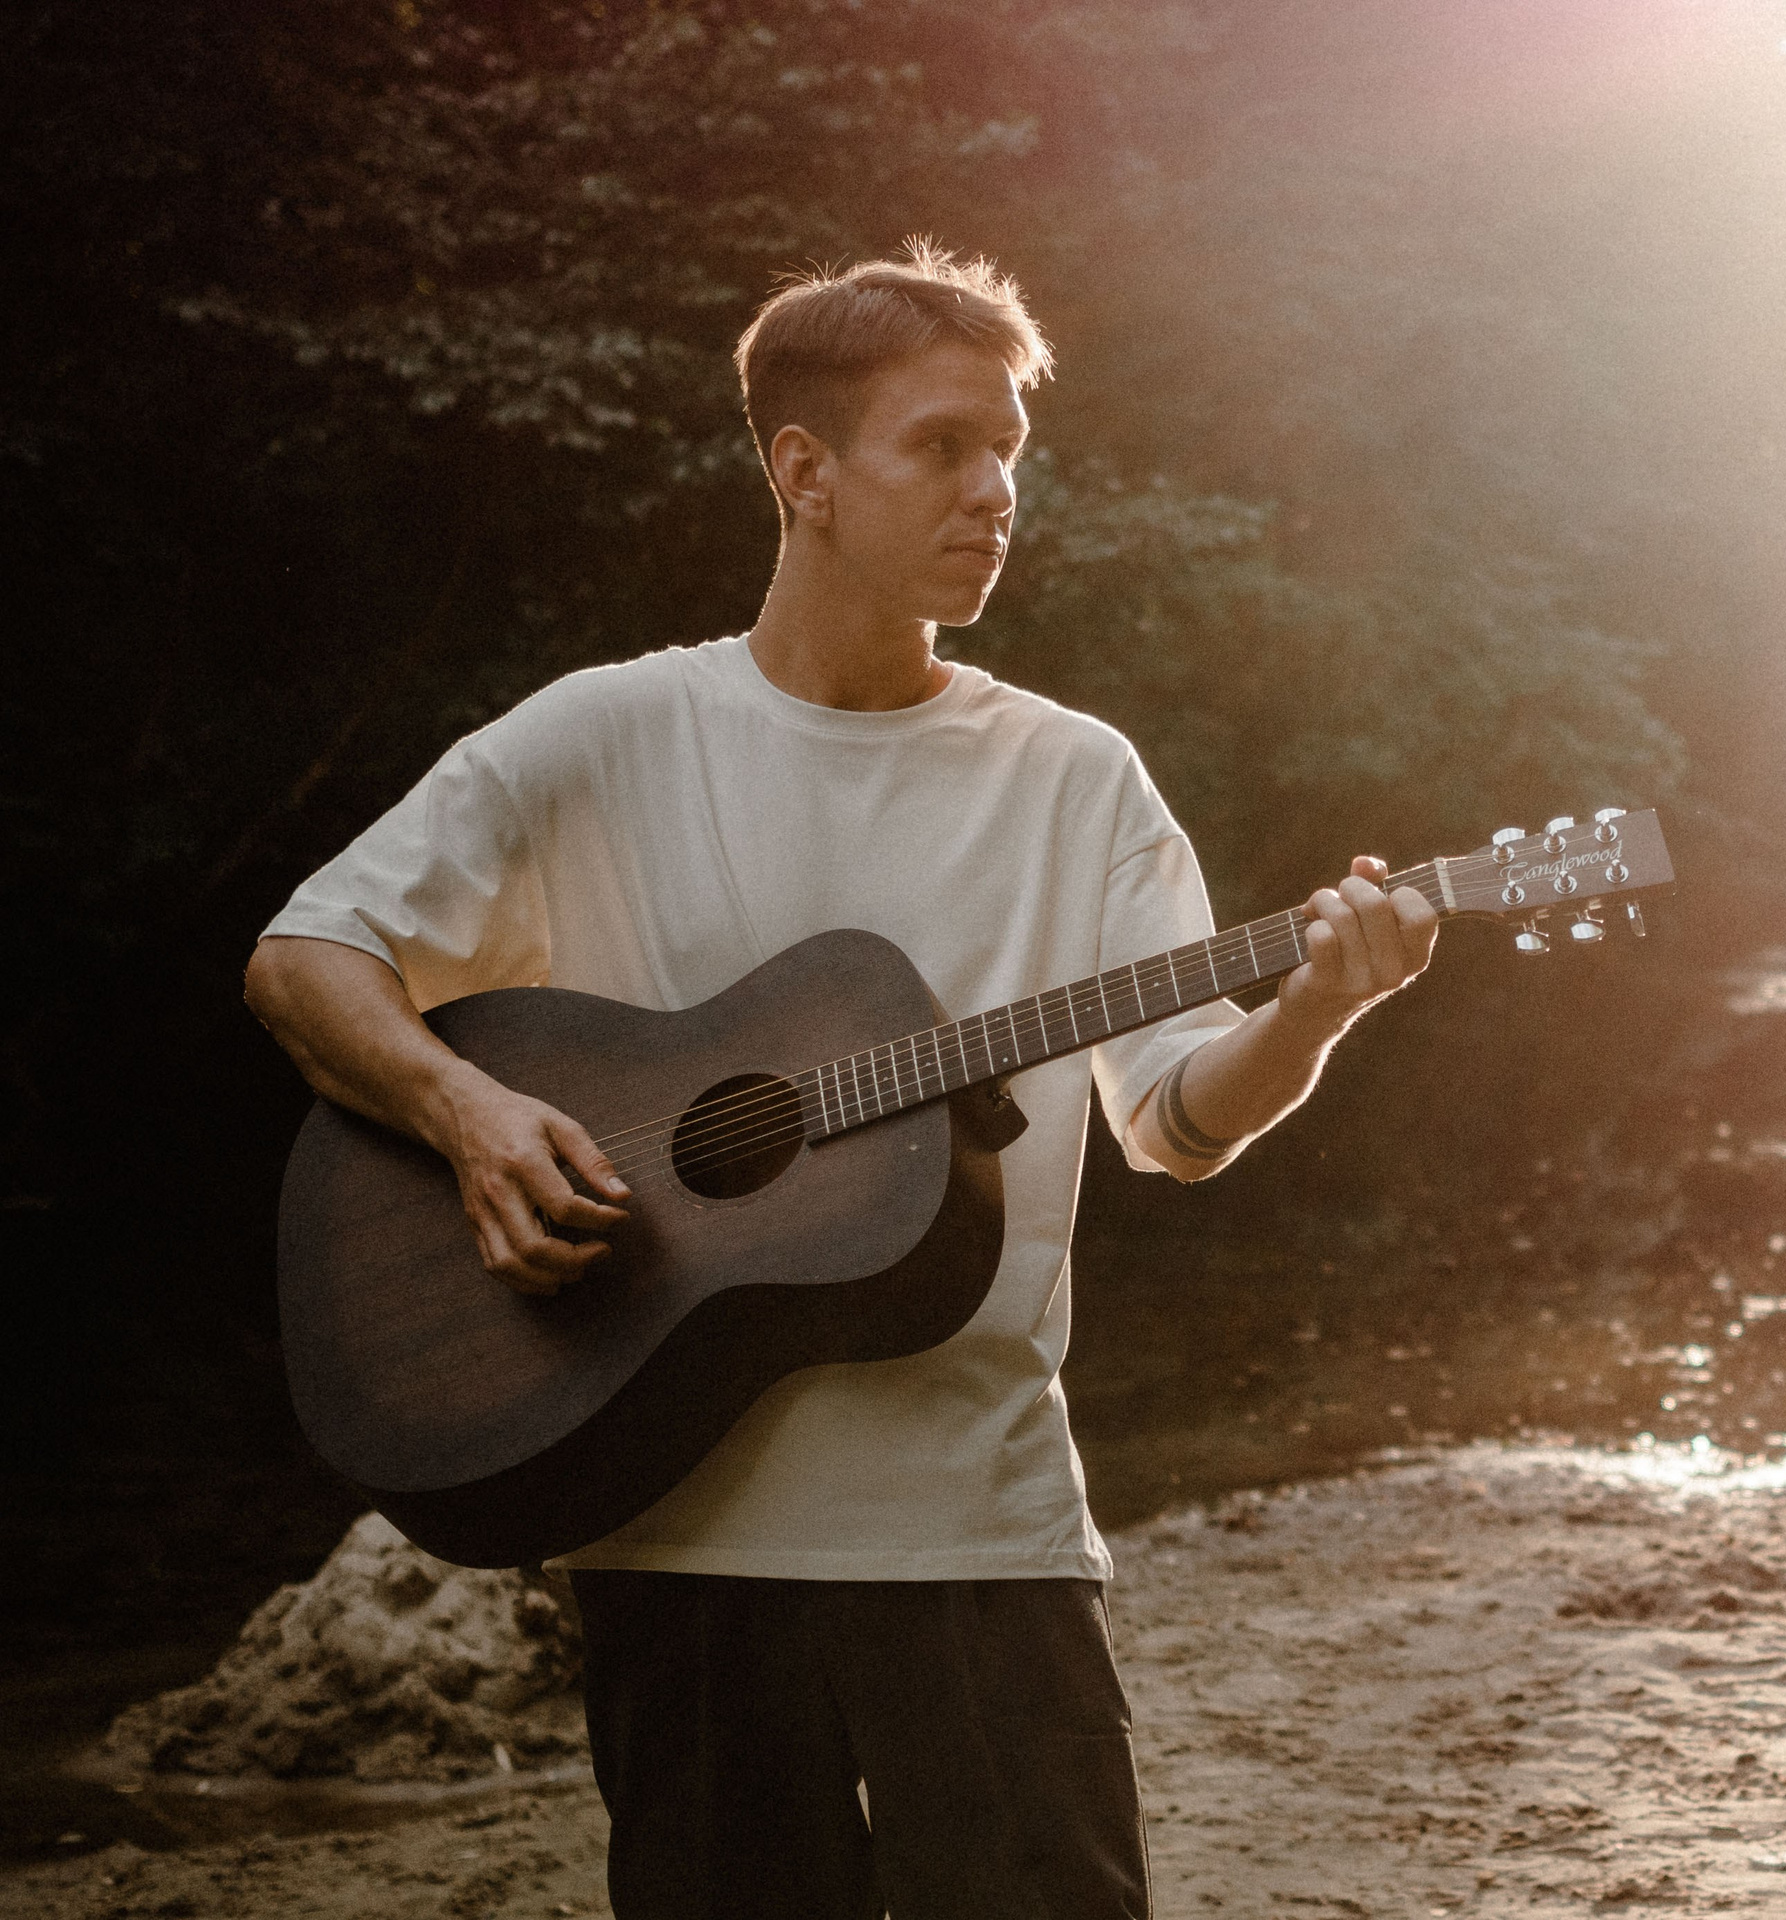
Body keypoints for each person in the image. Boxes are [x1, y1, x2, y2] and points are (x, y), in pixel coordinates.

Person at [241, 241, 1438, 1918]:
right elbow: (306, 963)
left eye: (1009, 449)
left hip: (980, 1527)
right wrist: (472, 1112)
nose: (995, 490)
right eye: (944, 446)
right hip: (669, 1525)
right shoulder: (605, 737)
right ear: (801, 471)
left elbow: (1171, 1122)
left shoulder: (1075, 777)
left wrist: (1314, 1009)